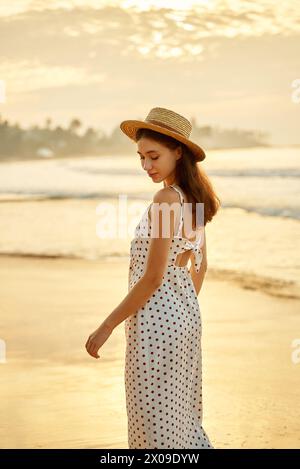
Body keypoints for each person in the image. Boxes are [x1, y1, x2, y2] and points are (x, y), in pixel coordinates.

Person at [85, 107, 221, 449]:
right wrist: (181, 308)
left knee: (153, 423)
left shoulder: (166, 199)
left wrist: (107, 326)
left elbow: (152, 278)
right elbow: (199, 267)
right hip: (186, 318)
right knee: (182, 418)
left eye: (153, 156)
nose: (146, 166)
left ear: (179, 152)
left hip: (154, 321)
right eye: (141, 157)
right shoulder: (194, 200)